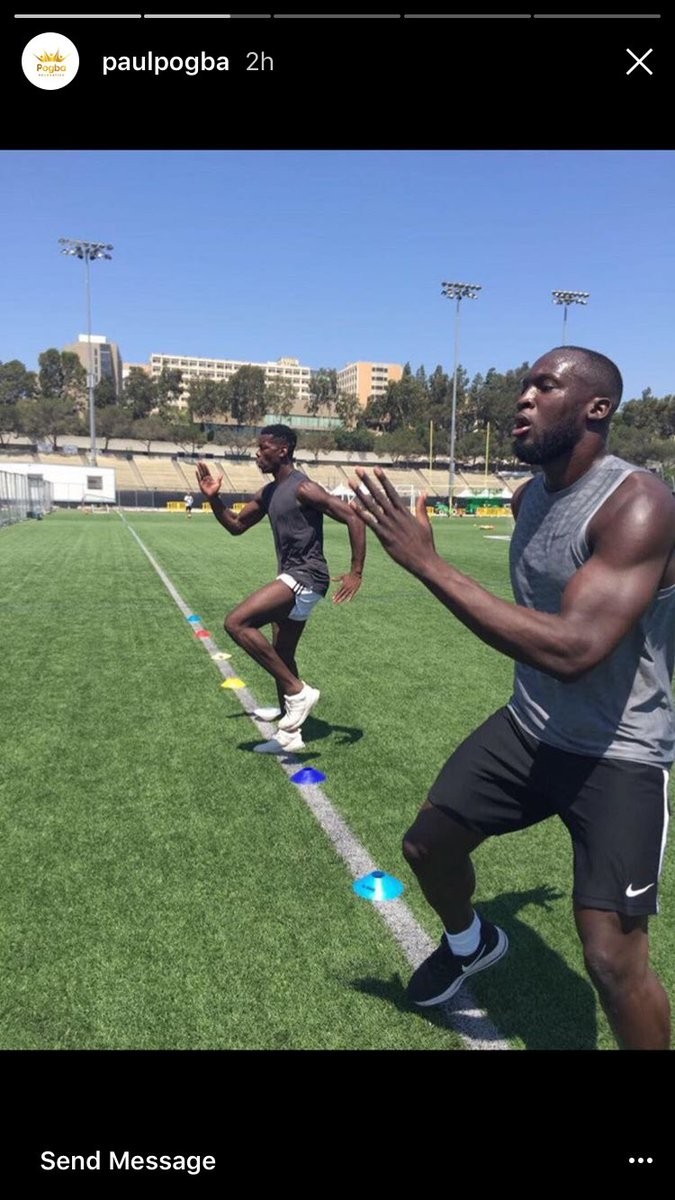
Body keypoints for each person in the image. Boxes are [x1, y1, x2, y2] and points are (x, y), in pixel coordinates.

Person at [349, 346, 675, 1051]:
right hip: (529, 728)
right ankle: (471, 943)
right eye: (522, 386)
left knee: (612, 963)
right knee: (427, 845)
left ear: (596, 408)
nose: (521, 399)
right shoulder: (527, 496)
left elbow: (573, 649)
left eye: (542, 386)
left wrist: (428, 564)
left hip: (616, 753)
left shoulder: (638, 503)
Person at [196, 425, 366, 754]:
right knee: (282, 653)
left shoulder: (304, 488)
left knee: (236, 623)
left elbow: (353, 518)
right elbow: (236, 526)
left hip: (306, 576)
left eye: (263, 448)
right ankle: (290, 735)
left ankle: (297, 691)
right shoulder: (269, 493)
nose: (257, 453)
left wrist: (356, 571)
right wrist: (214, 499)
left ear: (283, 450)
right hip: (294, 577)